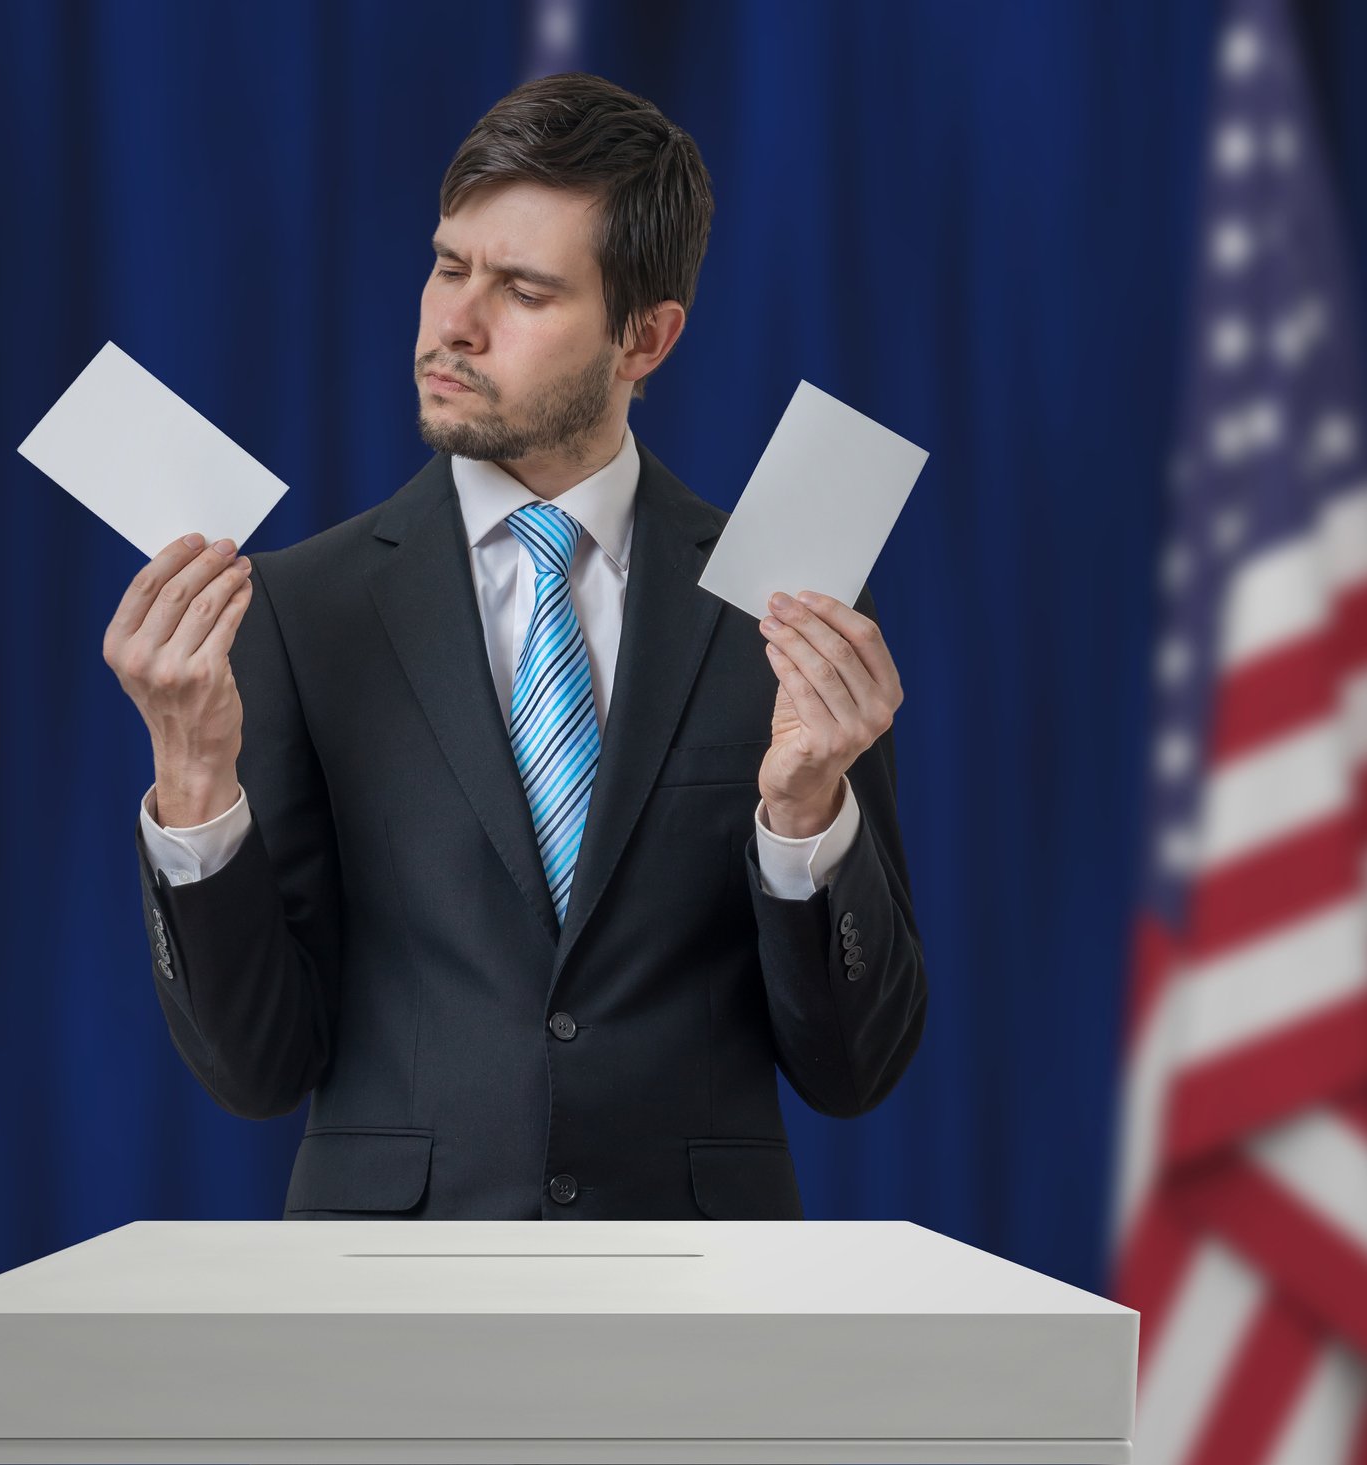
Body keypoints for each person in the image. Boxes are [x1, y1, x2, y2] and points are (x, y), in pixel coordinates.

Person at [103, 71, 925, 1219]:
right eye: (449, 267)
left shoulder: (789, 612)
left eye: (525, 291)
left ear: (646, 338)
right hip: (385, 1308)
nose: (457, 323)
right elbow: (256, 1070)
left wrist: (802, 820)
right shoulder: (299, 610)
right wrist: (191, 780)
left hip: (697, 1316)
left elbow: (854, 1070)